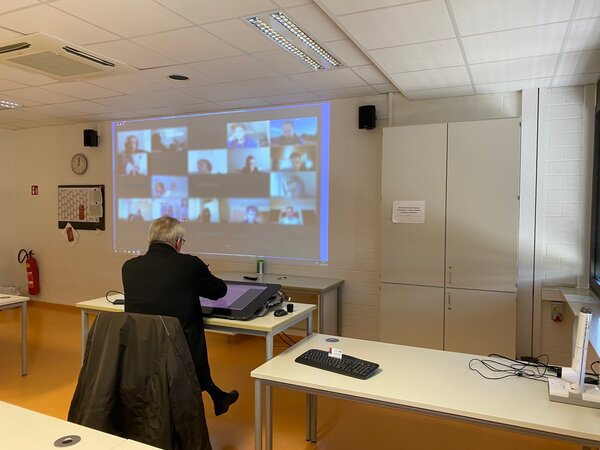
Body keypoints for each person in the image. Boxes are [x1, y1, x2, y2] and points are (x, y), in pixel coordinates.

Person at [122, 217, 239, 416]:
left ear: (150, 239)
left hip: (142, 346)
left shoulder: (129, 267)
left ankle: (216, 395)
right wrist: (202, 273)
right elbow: (219, 291)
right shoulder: (189, 264)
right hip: (179, 347)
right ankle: (213, 395)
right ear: (177, 242)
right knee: (190, 330)